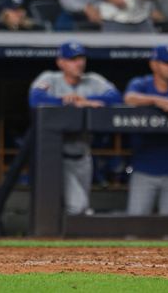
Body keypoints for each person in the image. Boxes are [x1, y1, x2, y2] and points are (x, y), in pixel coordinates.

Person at [29, 41, 123, 215]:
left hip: (83, 155)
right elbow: (35, 99)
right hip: (56, 156)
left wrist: (85, 101)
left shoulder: (93, 80)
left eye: (81, 58)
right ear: (61, 62)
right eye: (72, 59)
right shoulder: (49, 78)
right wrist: (64, 101)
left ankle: (70, 242)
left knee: (80, 206)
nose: (78, 63)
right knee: (77, 205)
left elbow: (116, 98)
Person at [123, 45, 168, 215]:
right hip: (144, 169)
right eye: (167, 63)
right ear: (154, 64)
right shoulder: (142, 83)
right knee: (135, 226)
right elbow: (129, 98)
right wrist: (156, 100)